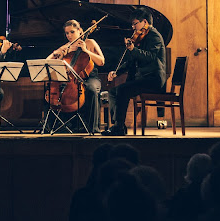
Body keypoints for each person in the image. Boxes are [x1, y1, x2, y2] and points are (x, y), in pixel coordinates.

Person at [102, 8, 166, 136]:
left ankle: (118, 127)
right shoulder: (142, 37)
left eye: (135, 23)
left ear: (144, 22)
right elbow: (132, 62)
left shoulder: (154, 36)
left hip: (153, 79)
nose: (133, 27)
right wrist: (116, 72)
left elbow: (151, 56)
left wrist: (133, 49)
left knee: (122, 90)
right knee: (113, 91)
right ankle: (118, 124)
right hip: (144, 78)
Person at [47, 19, 105, 133]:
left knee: (91, 89)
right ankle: (63, 125)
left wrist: (85, 51)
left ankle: (93, 128)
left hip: (90, 77)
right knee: (55, 90)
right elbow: (47, 61)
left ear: (80, 31)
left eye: (72, 32)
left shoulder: (90, 42)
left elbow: (101, 61)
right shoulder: (67, 47)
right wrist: (56, 53)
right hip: (72, 79)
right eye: (67, 33)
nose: (69, 35)